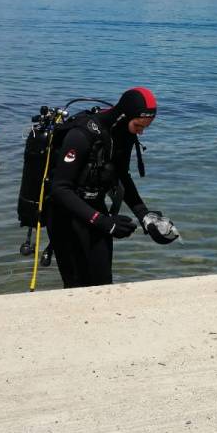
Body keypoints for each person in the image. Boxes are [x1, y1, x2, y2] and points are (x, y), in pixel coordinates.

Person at [45, 87, 178, 289]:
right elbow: (60, 189)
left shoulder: (124, 135)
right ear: (124, 116)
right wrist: (103, 223)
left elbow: (122, 176)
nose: (141, 131)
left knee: (103, 283)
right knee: (76, 286)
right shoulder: (81, 135)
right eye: (138, 125)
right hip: (66, 216)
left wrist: (145, 216)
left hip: (96, 210)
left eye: (146, 127)